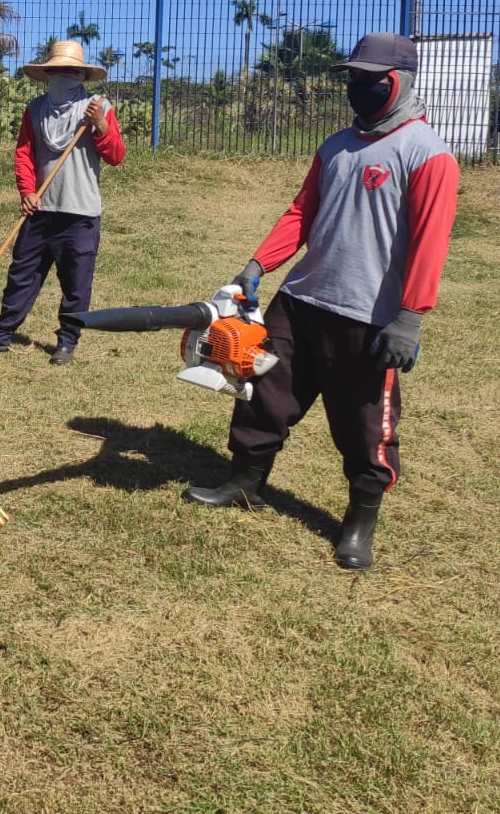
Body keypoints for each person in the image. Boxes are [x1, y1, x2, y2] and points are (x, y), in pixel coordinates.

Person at [181, 32, 459, 570]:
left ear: (397, 81)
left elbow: (431, 242)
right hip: (303, 299)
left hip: (368, 318)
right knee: (264, 392)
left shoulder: (428, 155)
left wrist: (409, 318)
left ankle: (359, 520)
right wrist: (260, 263)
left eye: (369, 79)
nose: (356, 87)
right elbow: (301, 212)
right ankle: (245, 482)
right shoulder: (335, 146)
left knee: (363, 422)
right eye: (352, 77)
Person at [0, 40, 125, 364]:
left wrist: (101, 126)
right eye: (58, 70)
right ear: (48, 73)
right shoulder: (35, 110)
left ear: (81, 74)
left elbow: (116, 156)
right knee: (21, 275)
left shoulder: (96, 108)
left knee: (76, 284)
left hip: (80, 214)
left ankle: (66, 342)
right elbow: (23, 155)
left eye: (71, 70)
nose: (64, 75)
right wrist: (27, 191)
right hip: (39, 210)